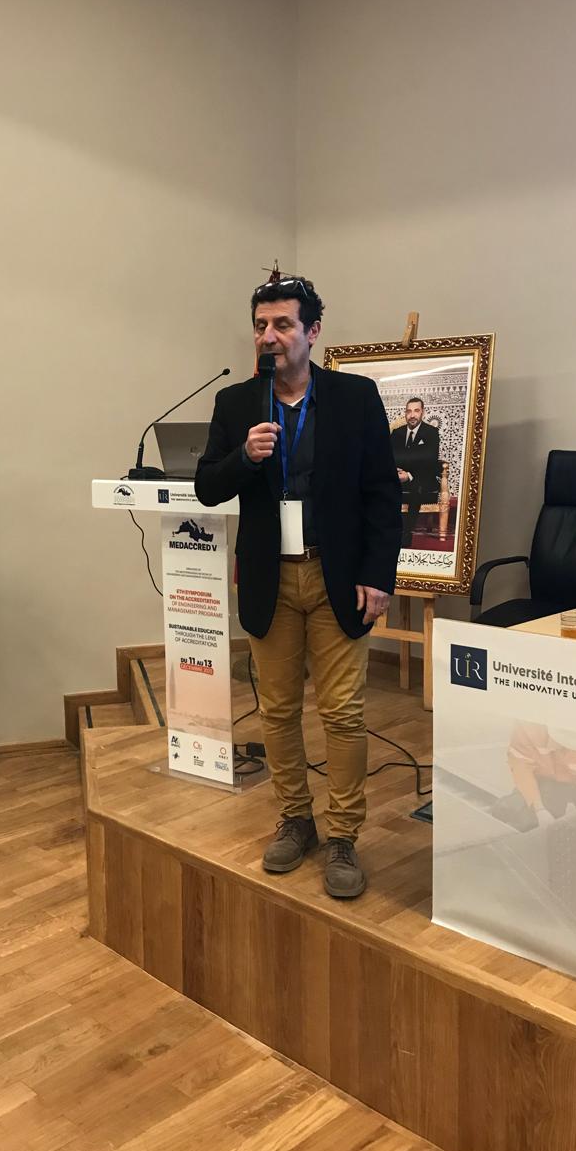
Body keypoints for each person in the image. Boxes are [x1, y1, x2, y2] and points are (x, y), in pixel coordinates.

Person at [195, 271, 401, 898]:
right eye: (261, 325)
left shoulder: (355, 397)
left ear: (312, 331)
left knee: (343, 711)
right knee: (278, 710)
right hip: (269, 577)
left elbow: (382, 494)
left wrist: (378, 574)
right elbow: (207, 487)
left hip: (338, 575)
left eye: (283, 324)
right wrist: (245, 457)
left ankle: (343, 834)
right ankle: (296, 819)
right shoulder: (235, 404)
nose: (269, 336)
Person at [389, 397, 441, 547]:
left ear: (422, 413)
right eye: (409, 411)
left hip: (422, 478)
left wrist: (409, 475)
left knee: (416, 487)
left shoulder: (431, 433)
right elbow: (389, 456)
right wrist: (396, 470)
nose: (412, 415)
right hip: (399, 476)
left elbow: (430, 460)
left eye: (416, 411)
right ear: (405, 413)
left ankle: (406, 534)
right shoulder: (397, 433)